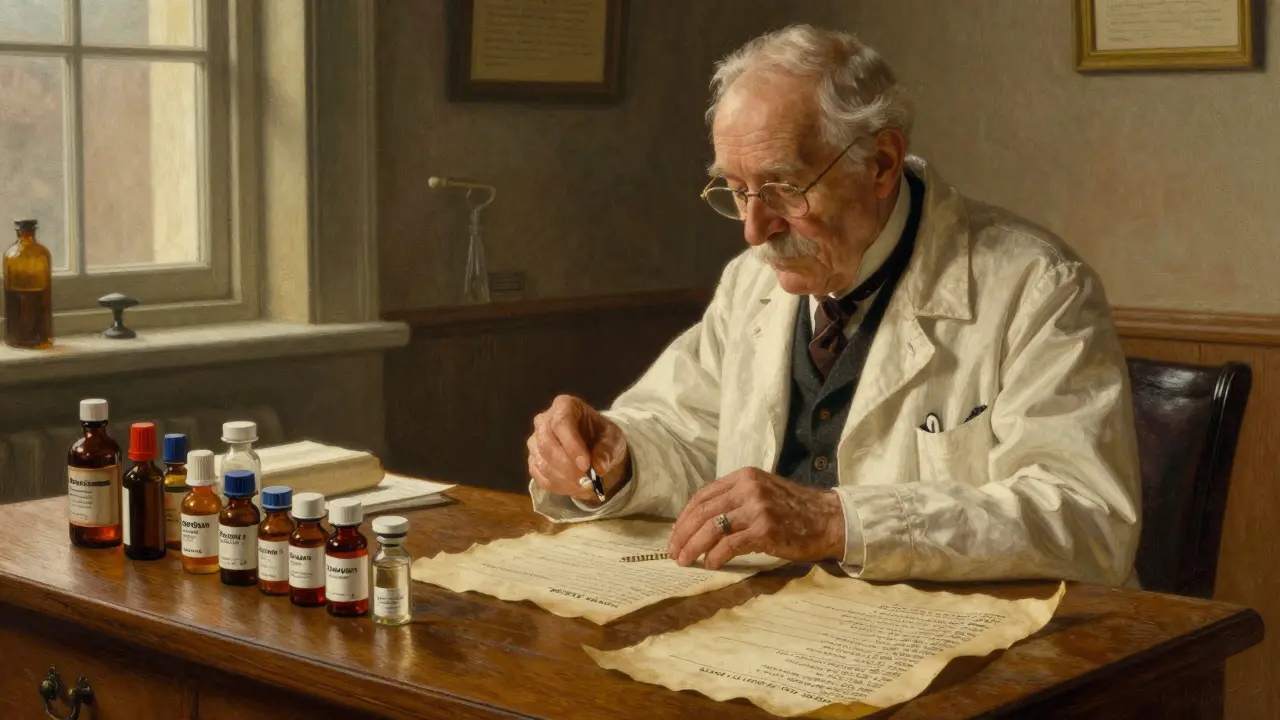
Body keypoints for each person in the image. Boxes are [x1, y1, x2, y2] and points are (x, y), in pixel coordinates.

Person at [525, 25, 1141, 587]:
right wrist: (618, 456)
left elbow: (1088, 516)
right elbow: (688, 434)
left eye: (783, 188)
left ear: (881, 163)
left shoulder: (1039, 287)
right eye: (736, 191)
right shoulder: (750, 283)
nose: (754, 229)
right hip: (783, 632)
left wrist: (837, 521)